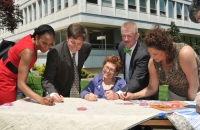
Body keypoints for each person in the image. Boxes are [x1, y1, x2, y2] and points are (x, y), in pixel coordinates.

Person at [121, 24, 200, 101]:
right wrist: (132, 96)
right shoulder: (153, 62)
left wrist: (189, 105)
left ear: (165, 49)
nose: (152, 57)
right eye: (150, 53)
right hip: (174, 99)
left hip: (195, 95)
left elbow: (194, 85)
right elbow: (152, 88)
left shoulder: (184, 53)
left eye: (155, 54)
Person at [0, 24, 55, 105]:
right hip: (4, 78)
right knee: (6, 111)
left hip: (10, 77)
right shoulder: (28, 51)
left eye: (50, 44)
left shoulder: (31, 39)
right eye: (44, 43)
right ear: (37, 37)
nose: (46, 47)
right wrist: (41, 100)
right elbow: (21, 84)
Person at [106, 21, 157, 100]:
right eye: (123, 36)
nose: (126, 39)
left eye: (129, 36)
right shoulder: (121, 46)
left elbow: (137, 80)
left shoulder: (144, 53)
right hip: (126, 92)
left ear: (137, 36)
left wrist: (118, 94)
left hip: (143, 95)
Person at [42, 23, 91, 102]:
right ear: (67, 37)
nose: (75, 47)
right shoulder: (55, 53)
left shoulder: (86, 48)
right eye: (73, 42)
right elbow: (46, 80)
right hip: (57, 96)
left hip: (75, 96)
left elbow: (74, 68)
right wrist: (52, 93)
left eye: (79, 43)